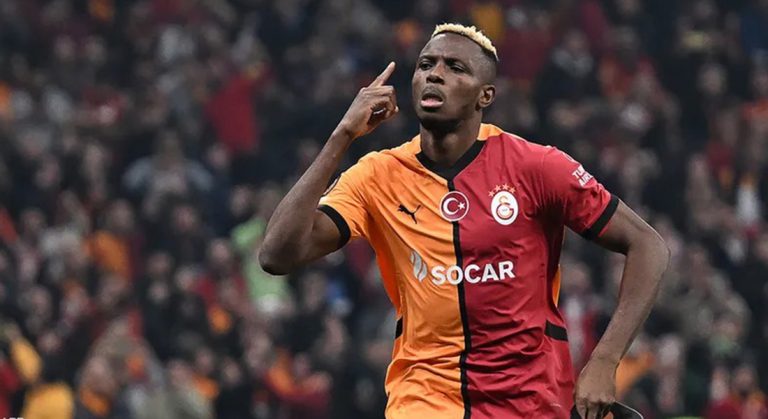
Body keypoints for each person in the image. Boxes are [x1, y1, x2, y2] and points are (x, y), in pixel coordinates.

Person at [259, 23, 670, 419]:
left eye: (455, 67)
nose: (434, 74)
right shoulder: (377, 175)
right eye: (426, 64)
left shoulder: (537, 167)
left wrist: (605, 360)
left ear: (484, 95)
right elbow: (277, 254)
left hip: (530, 401)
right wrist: (342, 136)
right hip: (423, 399)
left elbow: (647, 245)